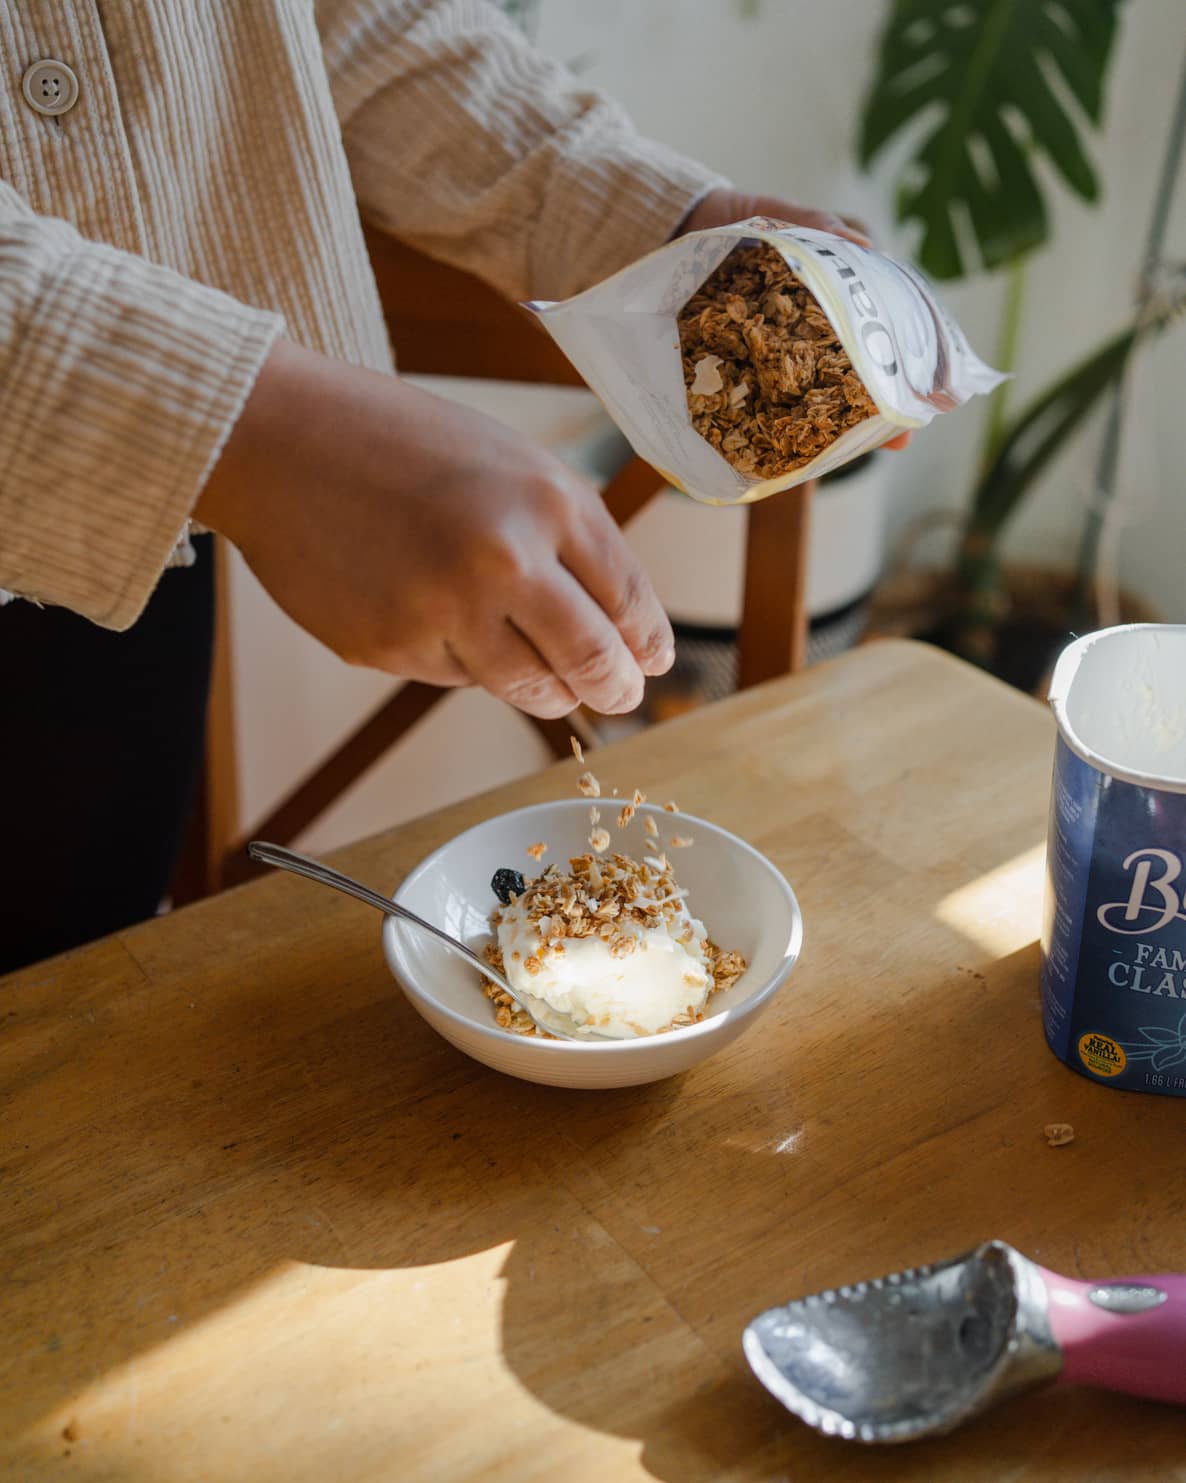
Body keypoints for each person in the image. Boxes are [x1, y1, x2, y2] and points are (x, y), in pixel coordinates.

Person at [0, 1, 903, 973]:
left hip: (121, 588)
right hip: (159, 458)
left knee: (71, 1008)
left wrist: (657, 223)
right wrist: (247, 431)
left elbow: (341, 20)